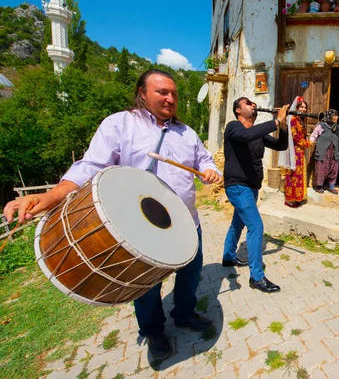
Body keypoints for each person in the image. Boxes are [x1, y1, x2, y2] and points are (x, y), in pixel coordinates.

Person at [2, 69, 222, 362]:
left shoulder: (187, 132)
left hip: (185, 224)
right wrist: (53, 195)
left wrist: (211, 171)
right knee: (145, 285)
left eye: (174, 93)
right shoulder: (120, 124)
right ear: (142, 93)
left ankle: (183, 314)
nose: (170, 98)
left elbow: (204, 159)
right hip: (138, 229)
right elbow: (90, 165)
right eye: (162, 92)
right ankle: (154, 330)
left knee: (190, 274)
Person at [222, 97, 289, 293]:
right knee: (256, 225)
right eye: (247, 103)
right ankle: (257, 277)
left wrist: (282, 125)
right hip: (237, 186)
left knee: (238, 221)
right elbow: (245, 136)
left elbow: (280, 146)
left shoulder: (257, 133)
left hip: (252, 187)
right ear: (238, 110)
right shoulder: (233, 127)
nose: (253, 104)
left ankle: (228, 256)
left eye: (253, 103)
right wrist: (275, 121)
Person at [309, 109, 339, 194]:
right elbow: (314, 135)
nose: (336, 117)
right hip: (323, 152)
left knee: (333, 169)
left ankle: (331, 186)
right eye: (334, 115)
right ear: (329, 116)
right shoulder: (321, 126)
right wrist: (310, 142)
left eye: (337, 115)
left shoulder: (336, 127)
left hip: (333, 152)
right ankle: (319, 186)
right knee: (321, 168)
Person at [283, 97, 309, 208]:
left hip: (300, 152)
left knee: (299, 175)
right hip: (293, 151)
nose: (303, 109)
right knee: (292, 174)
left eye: (305, 107)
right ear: (296, 107)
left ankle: (298, 197)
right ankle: (290, 199)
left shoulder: (301, 120)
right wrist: (308, 143)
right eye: (301, 107)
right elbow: (295, 137)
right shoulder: (293, 120)